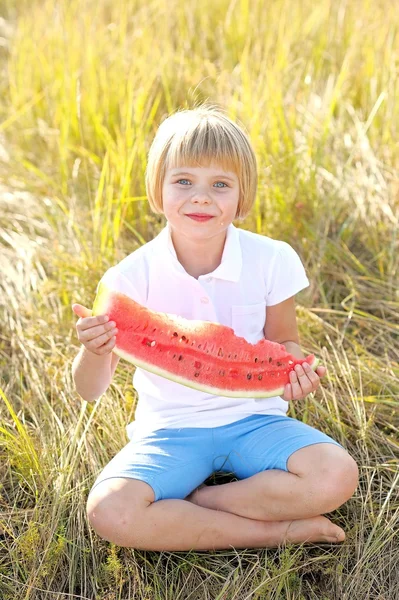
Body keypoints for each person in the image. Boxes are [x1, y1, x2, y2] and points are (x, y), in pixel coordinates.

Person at [71, 104, 359, 551]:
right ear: (158, 189)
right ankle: (274, 532)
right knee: (109, 510)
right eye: (183, 181)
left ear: (242, 196)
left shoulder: (272, 258)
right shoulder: (129, 277)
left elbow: (285, 340)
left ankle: (200, 500)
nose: (201, 197)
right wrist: (93, 350)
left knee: (337, 476)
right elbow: (89, 391)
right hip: (169, 430)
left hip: (256, 420)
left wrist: (294, 377)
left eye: (220, 185)